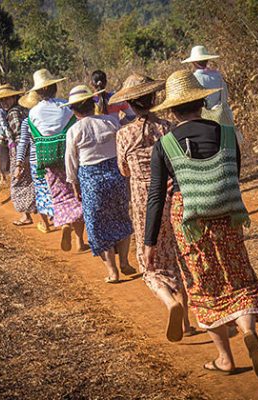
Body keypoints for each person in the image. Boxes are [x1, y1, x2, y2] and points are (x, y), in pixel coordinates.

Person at [145, 70, 258, 377]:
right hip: (228, 218)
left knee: (204, 286)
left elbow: (156, 197)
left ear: (172, 110)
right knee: (238, 276)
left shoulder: (165, 145)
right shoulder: (226, 134)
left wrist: (150, 242)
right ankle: (247, 331)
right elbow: (234, 175)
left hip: (189, 223)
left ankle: (225, 359)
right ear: (201, 102)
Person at [110, 74, 197, 340]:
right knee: (178, 254)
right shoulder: (168, 127)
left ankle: (169, 302)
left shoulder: (124, 134)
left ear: (130, 105)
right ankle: (186, 324)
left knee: (149, 260)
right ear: (155, 98)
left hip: (142, 199)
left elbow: (123, 170)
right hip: (171, 193)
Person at [63, 85, 135, 283]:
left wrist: (74, 185)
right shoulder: (110, 121)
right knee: (121, 218)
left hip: (91, 179)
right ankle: (126, 262)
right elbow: (123, 148)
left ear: (74, 110)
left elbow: (71, 162)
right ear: (92, 104)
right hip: (116, 175)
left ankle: (112, 271)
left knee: (97, 225)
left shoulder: (74, 130)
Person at [16, 69, 87, 252]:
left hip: (48, 161)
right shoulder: (65, 106)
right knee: (76, 195)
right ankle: (80, 241)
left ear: (38, 92)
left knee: (60, 196)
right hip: (70, 157)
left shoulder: (32, 114)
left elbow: (30, 138)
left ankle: (64, 223)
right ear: (55, 87)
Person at [0, 84, 37, 226]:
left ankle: (26, 215)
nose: (4, 102)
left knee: (18, 182)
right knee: (32, 179)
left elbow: (19, 134)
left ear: (14, 97)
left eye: (7, 99)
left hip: (20, 150)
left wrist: (19, 154)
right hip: (30, 148)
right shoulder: (23, 109)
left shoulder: (13, 113)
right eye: (2, 100)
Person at [182, 45, 244, 151]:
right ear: (206, 60)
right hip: (220, 114)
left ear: (193, 62)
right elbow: (225, 96)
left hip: (202, 116)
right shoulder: (217, 75)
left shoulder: (193, 79)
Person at [19, 91, 54, 234]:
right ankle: (59, 216)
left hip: (36, 161)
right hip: (52, 156)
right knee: (54, 188)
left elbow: (23, 143)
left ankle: (45, 224)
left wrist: (18, 163)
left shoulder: (27, 121)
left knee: (41, 191)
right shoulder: (48, 117)